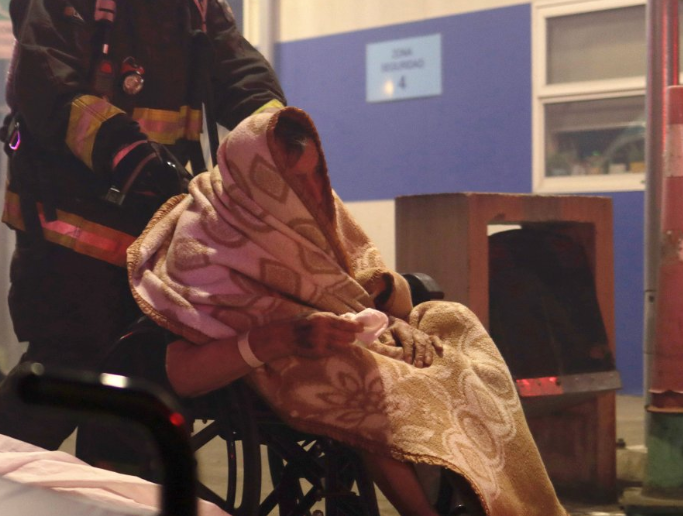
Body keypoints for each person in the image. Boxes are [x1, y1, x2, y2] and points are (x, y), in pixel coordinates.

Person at [0, 0, 286, 450]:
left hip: (158, 228)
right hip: (69, 229)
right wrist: (128, 152)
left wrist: (279, 134)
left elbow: (240, 76)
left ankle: (121, 493)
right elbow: (45, 86)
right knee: (67, 366)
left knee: (144, 383)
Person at [129, 107, 569, 516]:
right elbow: (183, 372)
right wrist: (287, 337)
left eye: (317, 176)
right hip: (281, 357)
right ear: (261, 180)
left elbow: (370, 287)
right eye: (296, 182)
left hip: (352, 332)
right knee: (362, 372)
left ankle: (512, 498)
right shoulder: (203, 243)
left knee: (449, 322)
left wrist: (394, 314)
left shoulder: (315, 206)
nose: (315, 193)